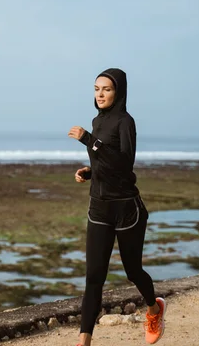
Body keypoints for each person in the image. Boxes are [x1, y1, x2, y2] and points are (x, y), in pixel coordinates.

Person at [68, 68, 166, 345]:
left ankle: (154, 308)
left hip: (126, 210)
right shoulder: (97, 121)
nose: (100, 94)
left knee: (132, 271)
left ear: (118, 92)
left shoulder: (125, 121)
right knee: (94, 277)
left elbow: (124, 164)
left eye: (106, 89)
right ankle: (84, 340)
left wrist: (90, 141)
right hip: (98, 207)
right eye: (96, 89)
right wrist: (89, 172)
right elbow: (105, 164)